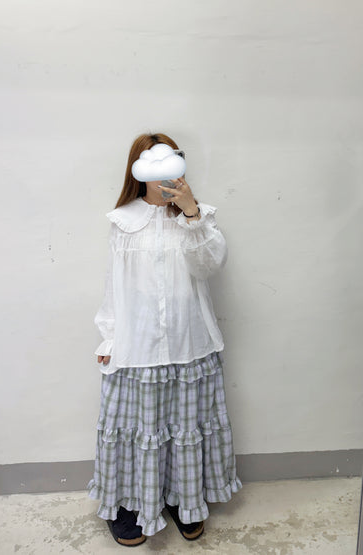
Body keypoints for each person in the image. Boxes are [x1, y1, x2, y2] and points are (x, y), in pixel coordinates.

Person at [87, 132, 243, 546]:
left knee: (183, 427)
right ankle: (127, 505)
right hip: (137, 347)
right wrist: (109, 337)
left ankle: (182, 499)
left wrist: (190, 212)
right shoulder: (124, 221)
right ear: (137, 171)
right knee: (136, 429)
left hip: (189, 343)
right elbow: (114, 286)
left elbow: (210, 266)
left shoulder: (197, 218)